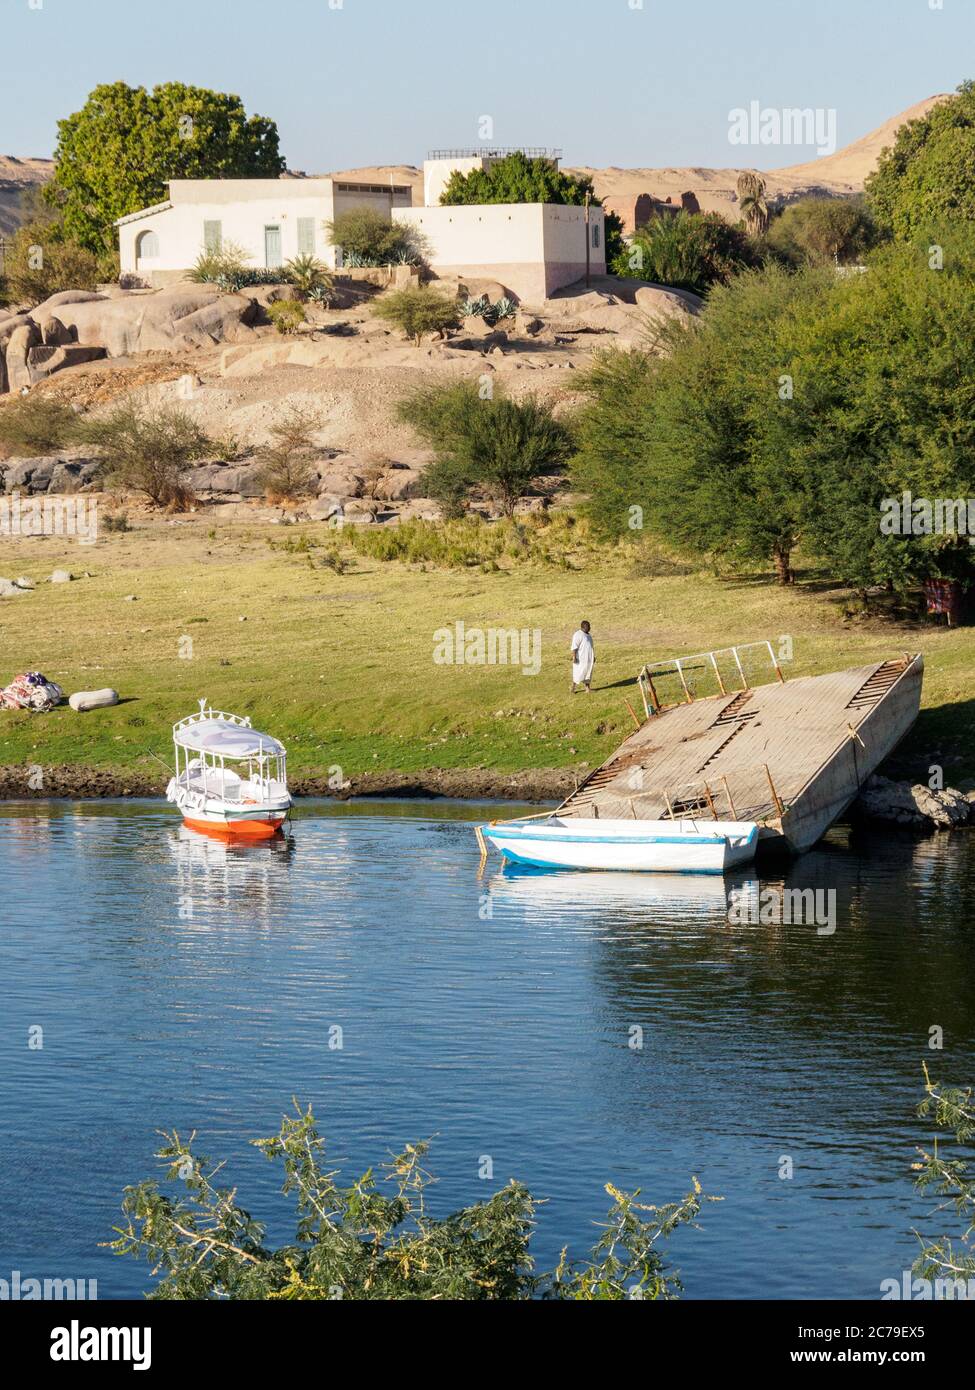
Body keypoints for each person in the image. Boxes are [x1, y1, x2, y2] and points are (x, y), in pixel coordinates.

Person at [570, 621, 595, 694]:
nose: (590, 628)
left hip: (588, 659)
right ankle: (573, 688)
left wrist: (593, 656)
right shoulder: (578, 635)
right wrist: (574, 657)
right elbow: (574, 647)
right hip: (580, 659)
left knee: (588, 673)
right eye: (588, 626)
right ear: (583, 627)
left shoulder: (589, 636)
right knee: (578, 673)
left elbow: (591, 647)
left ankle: (587, 689)